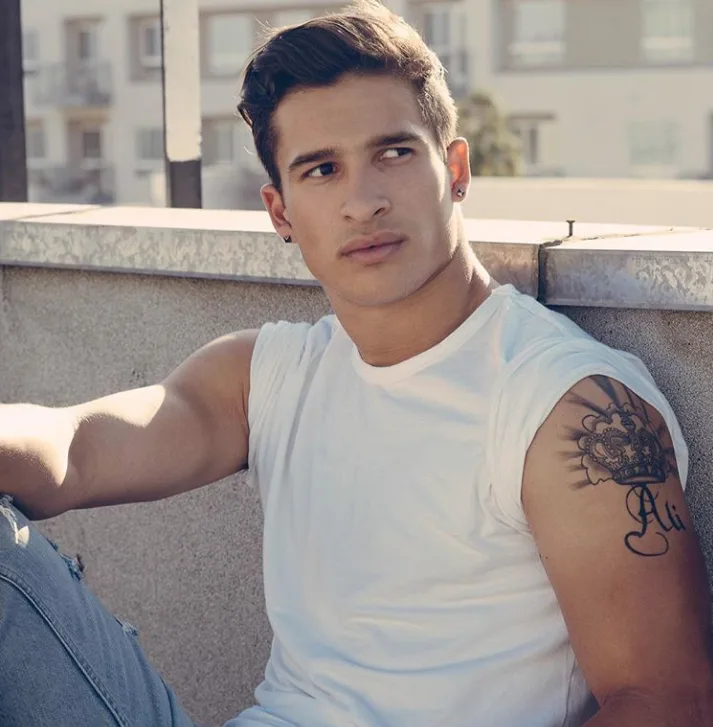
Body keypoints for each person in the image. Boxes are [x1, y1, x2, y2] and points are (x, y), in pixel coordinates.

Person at [1, 1, 711, 725]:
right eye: (322, 170)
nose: (362, 202)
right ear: (280, 212)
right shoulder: (267, 375)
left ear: (454, 168)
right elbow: (77, 450)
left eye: (393, 154)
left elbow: (666, 702)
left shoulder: (564, 404)